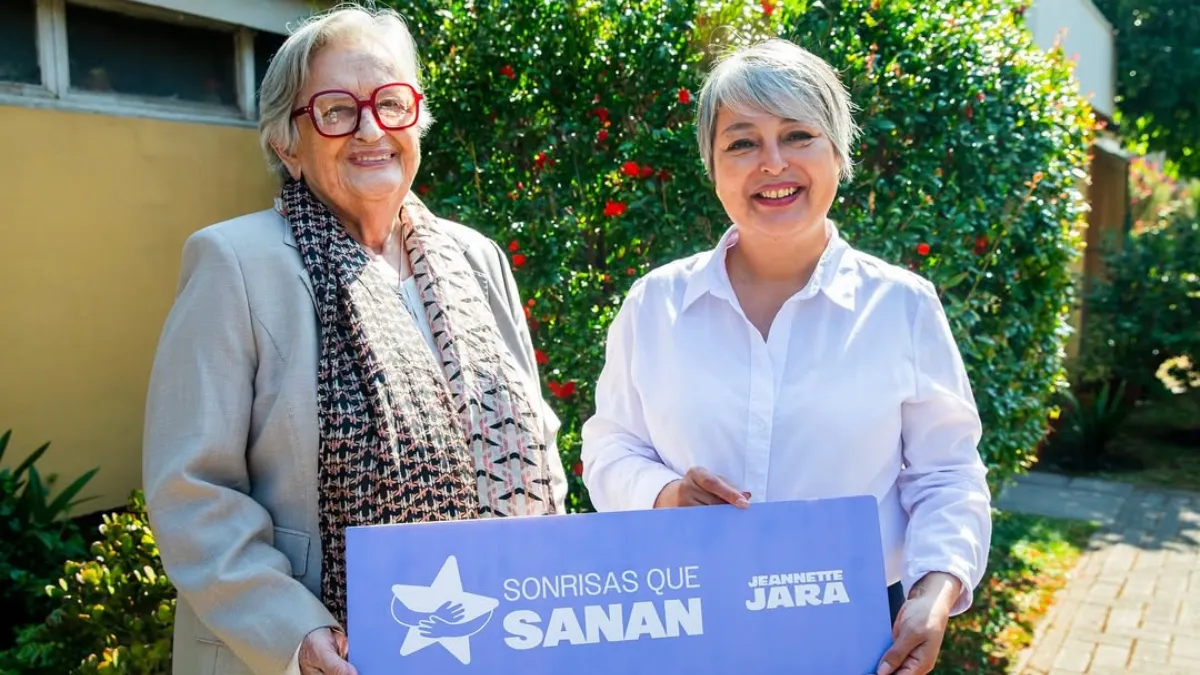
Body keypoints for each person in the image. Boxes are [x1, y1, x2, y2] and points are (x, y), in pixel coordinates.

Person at [141, 7, 567, 675]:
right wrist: (293, 630)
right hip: (318, 655)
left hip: (488, 635)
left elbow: (533, 441)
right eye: (337, 110)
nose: (372, 129)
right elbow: (194, 488)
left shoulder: (475, 259)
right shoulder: (235, 263)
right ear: (288, 144)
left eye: (392, 104)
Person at [579, 39, 992, 675]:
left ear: (837, 152)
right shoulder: (654, 304)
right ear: (712, 166)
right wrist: (664, 494)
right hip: (681, 619)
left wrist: (934, 590)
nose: (772, 163)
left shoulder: (902, 307)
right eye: (741, 142)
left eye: (798, 135)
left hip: (852, 627)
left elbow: (946, 473)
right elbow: (609, 448)